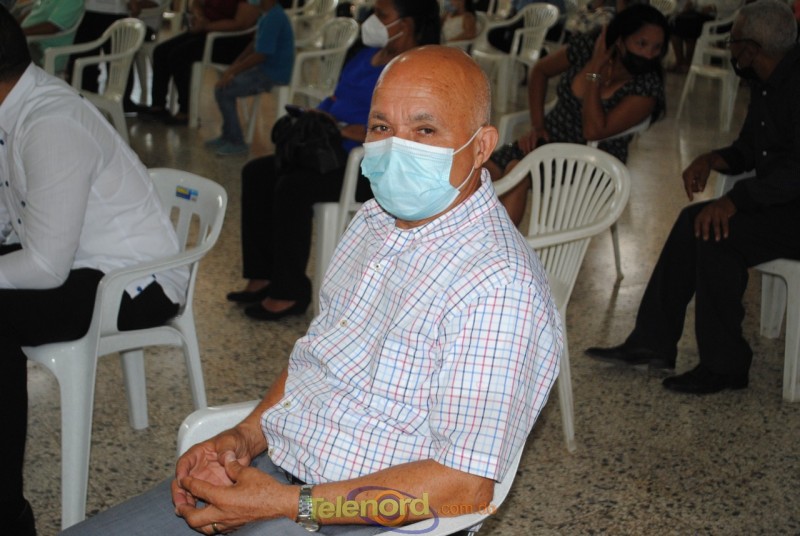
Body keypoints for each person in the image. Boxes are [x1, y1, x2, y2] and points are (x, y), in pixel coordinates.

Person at [59, 44, 563, 536]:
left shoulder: (497, 285)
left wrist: (286, 504)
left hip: (368, 518)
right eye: (381, 127)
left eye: (425, 130)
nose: (396, 147)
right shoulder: (374, 221)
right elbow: (321, 357)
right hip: (284, 470)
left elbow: (466, 488)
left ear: (481, 146)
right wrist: (246, 436)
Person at [0, 7, 190, 535]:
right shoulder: (15, 110)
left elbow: (43, 266)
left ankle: (9, 515)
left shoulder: (49, 124)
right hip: (77, 264)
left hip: (133, 282)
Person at [585, 0, 800, 394]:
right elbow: (752, 149)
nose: (731, 49)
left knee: (718, 234)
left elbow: (794, 172)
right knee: (693, 220)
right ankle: (652, 342)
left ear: (751, 48)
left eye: (733, 41)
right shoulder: (765, 79)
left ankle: (726, 366)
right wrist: (712, 158)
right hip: (783, 203)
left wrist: (734, 201)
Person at [226, 0, 441, 321]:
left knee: (293, 187)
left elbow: (411, 130)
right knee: (258, 173)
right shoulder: (366, 55)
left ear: (406, 25)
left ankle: (288, 292)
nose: (372, 20)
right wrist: (319, 114)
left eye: (382, 15)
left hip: (371, 166)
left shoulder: (415, 69)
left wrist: (357, 131)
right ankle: (262, 276)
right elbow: (337, 97)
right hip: (330, 148)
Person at [487, 4, 668, 225]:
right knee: (482, 173)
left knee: (517, 172)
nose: (648, 54)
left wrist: (595, 71)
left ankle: (499, 245)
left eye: (657, 48)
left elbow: (593, 130)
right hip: (547, 140)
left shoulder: (647, 87)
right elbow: (540, 71)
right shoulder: (587, 47)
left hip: (590, 159)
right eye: (642, 44)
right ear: (620, 40)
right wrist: (537, 126)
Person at [139, 0, 261, 125]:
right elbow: (195, 3)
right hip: (206, 31)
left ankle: (186, 111)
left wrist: (206, 26)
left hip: (233, 40)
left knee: (179, 55)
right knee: (161, 51)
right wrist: (200, 16)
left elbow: (242, 23)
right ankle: (158, 105)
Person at [205, 0, 294, 155]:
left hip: (272, 74)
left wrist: (233, 72)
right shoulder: (266, 15)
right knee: (223, 87)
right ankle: (227, 135)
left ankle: (236, 141)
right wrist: (233, 67)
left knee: (224, 90)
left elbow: (260, 55)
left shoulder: (274, 18)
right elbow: (253, 45)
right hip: (264, 69)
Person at [18, 0, 84, 72]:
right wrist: (12, 26)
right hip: (28, 43)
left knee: (10, 54)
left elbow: (52, 27)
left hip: (42, 51)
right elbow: (33, 12)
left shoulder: (73, 1)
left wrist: (19, 32)